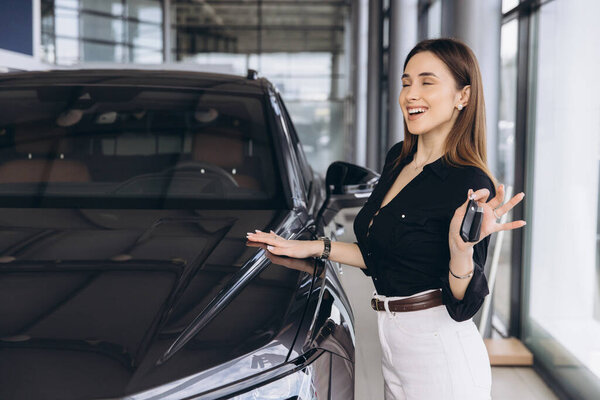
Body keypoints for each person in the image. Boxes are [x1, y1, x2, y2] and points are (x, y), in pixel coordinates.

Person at [246, 37, 526, 400]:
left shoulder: (470, 182)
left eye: (427, 82)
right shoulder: (398, 160)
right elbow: (380, 255)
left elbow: (464, 305)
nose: (411, 94)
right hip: (393, 344)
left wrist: (461, 249)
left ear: (463, 96)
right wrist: (308, 247)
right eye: (406, 82)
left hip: (440, 354)